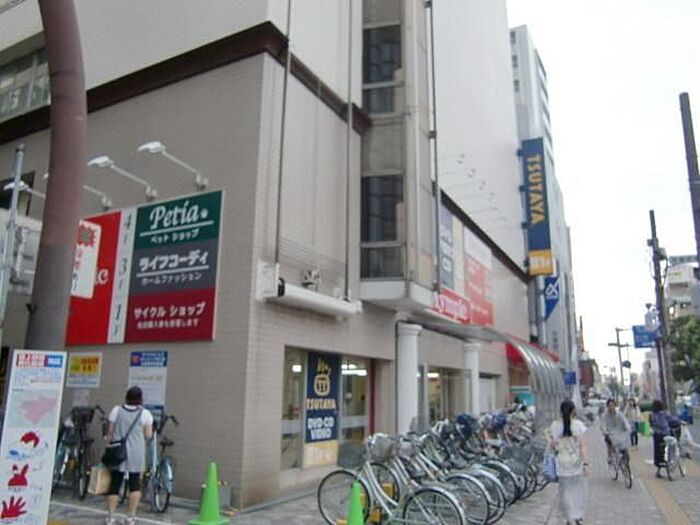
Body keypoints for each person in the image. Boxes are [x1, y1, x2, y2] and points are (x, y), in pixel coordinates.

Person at [104, 387, 153, 525]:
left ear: (126, 397)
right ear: (141, 398)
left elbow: (110, 431)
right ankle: (130, 517)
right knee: (135, 484)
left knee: (115, 484)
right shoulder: (145, 414)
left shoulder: (116, 410)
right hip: (136, 452)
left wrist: (107, 446)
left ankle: (111, 516)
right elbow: (148, 435)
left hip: (117, 451)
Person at [549, 399, 589, 525]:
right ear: (573, 411)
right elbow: (583, 446)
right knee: (578, 491)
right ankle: (577, 516)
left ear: (560, 411)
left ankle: (568, 517)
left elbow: (552, 446)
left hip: (561, 463)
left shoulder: (554, 425)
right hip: (576, 463)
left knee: (564, 492)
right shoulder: (578, 425)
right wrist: (585, 463)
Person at [600, 398, 630, 463]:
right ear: (607, 406)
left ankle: (625, 463)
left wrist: (628, 427)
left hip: (619, 433)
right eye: (610, 405)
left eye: (613, 405)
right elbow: (603, 425)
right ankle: (609, 455)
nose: (611, 407)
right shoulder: (604, 415)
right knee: (608, 441)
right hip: (610, 433)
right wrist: (605, 431)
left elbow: (624, 420)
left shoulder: (619, 414)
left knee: (624, 447)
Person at [649, 399, 673, 479]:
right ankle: (669, 464)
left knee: (658, 452)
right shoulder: (664, 414)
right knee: (668, 449)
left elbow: (651, 424)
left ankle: (658, 470)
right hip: (666, 434)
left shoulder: (651, 415)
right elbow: (671, 420)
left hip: (657, 435)